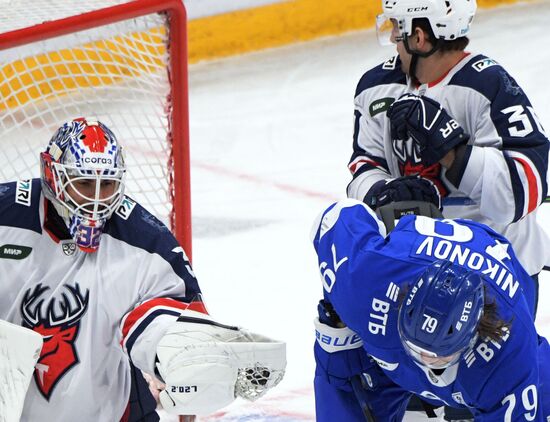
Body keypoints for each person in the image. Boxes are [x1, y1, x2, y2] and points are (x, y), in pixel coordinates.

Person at [0, 118, 286, 421]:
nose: (96, 201)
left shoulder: (148, 243)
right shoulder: (6, 215)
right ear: (52, 175)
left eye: (106, 184)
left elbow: (178, 326)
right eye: (84, 183)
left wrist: (184, 365)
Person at [346, 0, 549, 306]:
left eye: (396, 30)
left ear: (419, 37)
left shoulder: (489, 86)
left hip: (499, 272)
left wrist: (453, 152)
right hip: (416, 267)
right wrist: (382, 192)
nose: (391, 40)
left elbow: (524, 188)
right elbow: (364, 165)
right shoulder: (375, 88)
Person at [312, 198, 550, 421]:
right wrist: (339, 312)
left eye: (438, 356)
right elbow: (334, 217)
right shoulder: (367, 280)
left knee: (538, 391)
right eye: (416, 350)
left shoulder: (508, 356)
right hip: (394, 299)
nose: (425, 360)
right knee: (339, 351)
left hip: (498, 293)